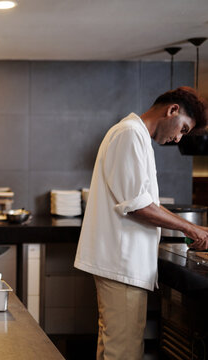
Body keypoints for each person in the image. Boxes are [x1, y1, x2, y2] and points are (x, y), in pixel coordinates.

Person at [74, 87, 208, 360]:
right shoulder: (129, 134)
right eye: (182, 128)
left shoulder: (136, 136)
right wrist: (190, 227)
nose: (177, 138)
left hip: (123, 264)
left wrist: (192, 227)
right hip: (121, 263)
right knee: (123, 352)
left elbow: (143, 201)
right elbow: (137, 205)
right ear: (172, 110)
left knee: (113, 349)